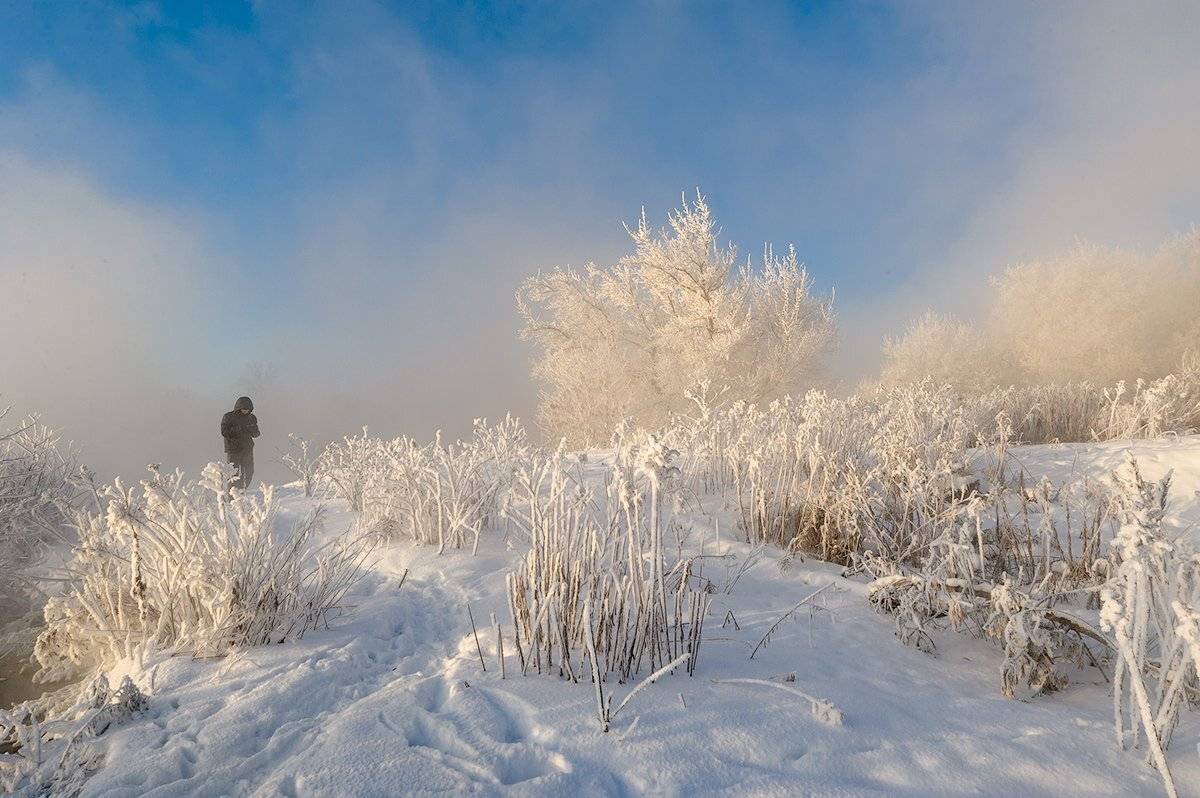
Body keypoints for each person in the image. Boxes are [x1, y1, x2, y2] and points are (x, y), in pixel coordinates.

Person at [220, 396, 260, 490]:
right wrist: (239, 429)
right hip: (234, 450)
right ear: (238, 407)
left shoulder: (252, 418)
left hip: (247, 449)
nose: (245, 411)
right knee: (233, 473)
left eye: (248, 409)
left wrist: (252, 429)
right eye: (244, 409)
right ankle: (230, 494)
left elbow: (256, 433)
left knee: (249, 472)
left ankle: (240, 491)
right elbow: (224, 432)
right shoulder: (228, 417)